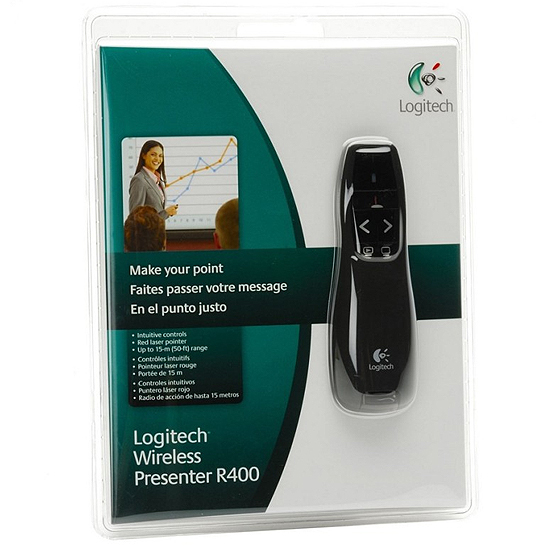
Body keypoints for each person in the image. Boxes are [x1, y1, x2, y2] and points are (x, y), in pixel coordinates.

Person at [129, 140, 178, 220]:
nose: (157, 159)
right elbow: (135, 218)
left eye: (160, 156)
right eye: (153, 155)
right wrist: (165, 213)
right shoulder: (139, 180)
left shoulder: (157, 181)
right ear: (144, 155)